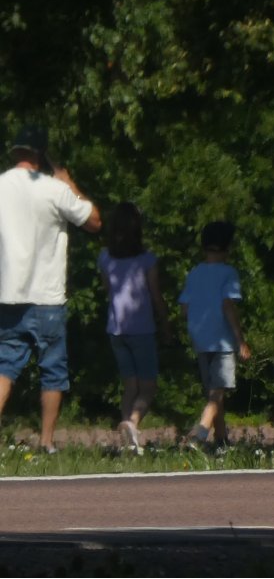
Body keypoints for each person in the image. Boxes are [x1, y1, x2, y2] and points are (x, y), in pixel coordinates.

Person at [0, 125, 102, 453]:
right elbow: (94, 222)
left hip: (7, 293)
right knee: (52, 371)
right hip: (47, 296)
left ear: (14, 152)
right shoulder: (53, 189)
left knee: (4, 367)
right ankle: (46, 443)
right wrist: (68, 182)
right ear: (41, 155)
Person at [98, 202, 172, 452]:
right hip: (141, 328)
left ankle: (128, 440)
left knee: (131, 385)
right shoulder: (147, 260)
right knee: (149, 386)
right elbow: (155, 295)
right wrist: (165, 323)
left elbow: (108, 291)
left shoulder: (105, 258)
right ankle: (132, 422)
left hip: (116, 328)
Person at [178, 220, 251, 447]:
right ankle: (199, 434)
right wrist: (240, 341)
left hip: (200, 338)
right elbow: (228, 304)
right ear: (228, 247)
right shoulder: (229, 273)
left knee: (214, 391)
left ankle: (222, 441)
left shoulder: (195, 273)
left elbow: (184, 309)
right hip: (222, 341)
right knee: (217, 393)